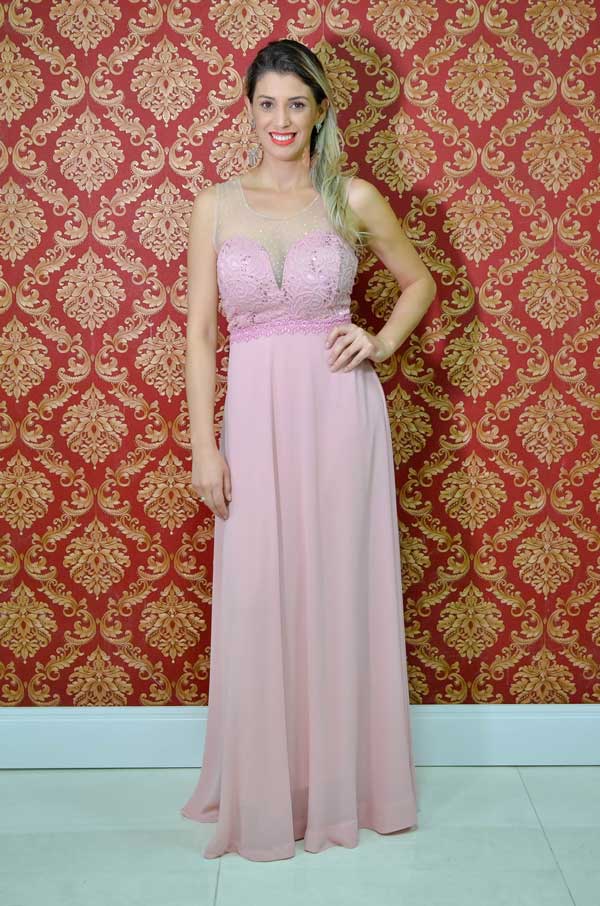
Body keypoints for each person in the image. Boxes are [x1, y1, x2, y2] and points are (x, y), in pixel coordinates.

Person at [180, 38, 436, 862]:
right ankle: (268, 787)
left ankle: (342, 787)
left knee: (336, 587)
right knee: (261, 591)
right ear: (249, 111)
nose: (281, 119)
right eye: (267, 104)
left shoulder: (352, 196)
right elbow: (200, 333)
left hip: (338, 416)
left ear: (321, 109)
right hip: (253, 418)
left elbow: (420, 282)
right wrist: (204, 447)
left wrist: (382, 341)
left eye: (296, 103)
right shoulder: (216, 204)